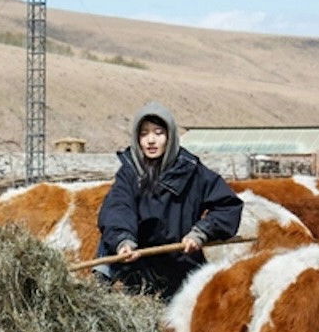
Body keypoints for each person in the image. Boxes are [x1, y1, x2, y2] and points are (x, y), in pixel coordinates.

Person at [95, 102, 243, 299]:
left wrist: (201, 233)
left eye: (158, 133)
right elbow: (118, 206)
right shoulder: (129, 172)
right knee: (107, 250)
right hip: (138, 262)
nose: (150, 141)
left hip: (179, 263)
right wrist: (124, 240)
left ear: (170, 136)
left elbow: (227, 205)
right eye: (144, 134)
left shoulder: (192, 171)